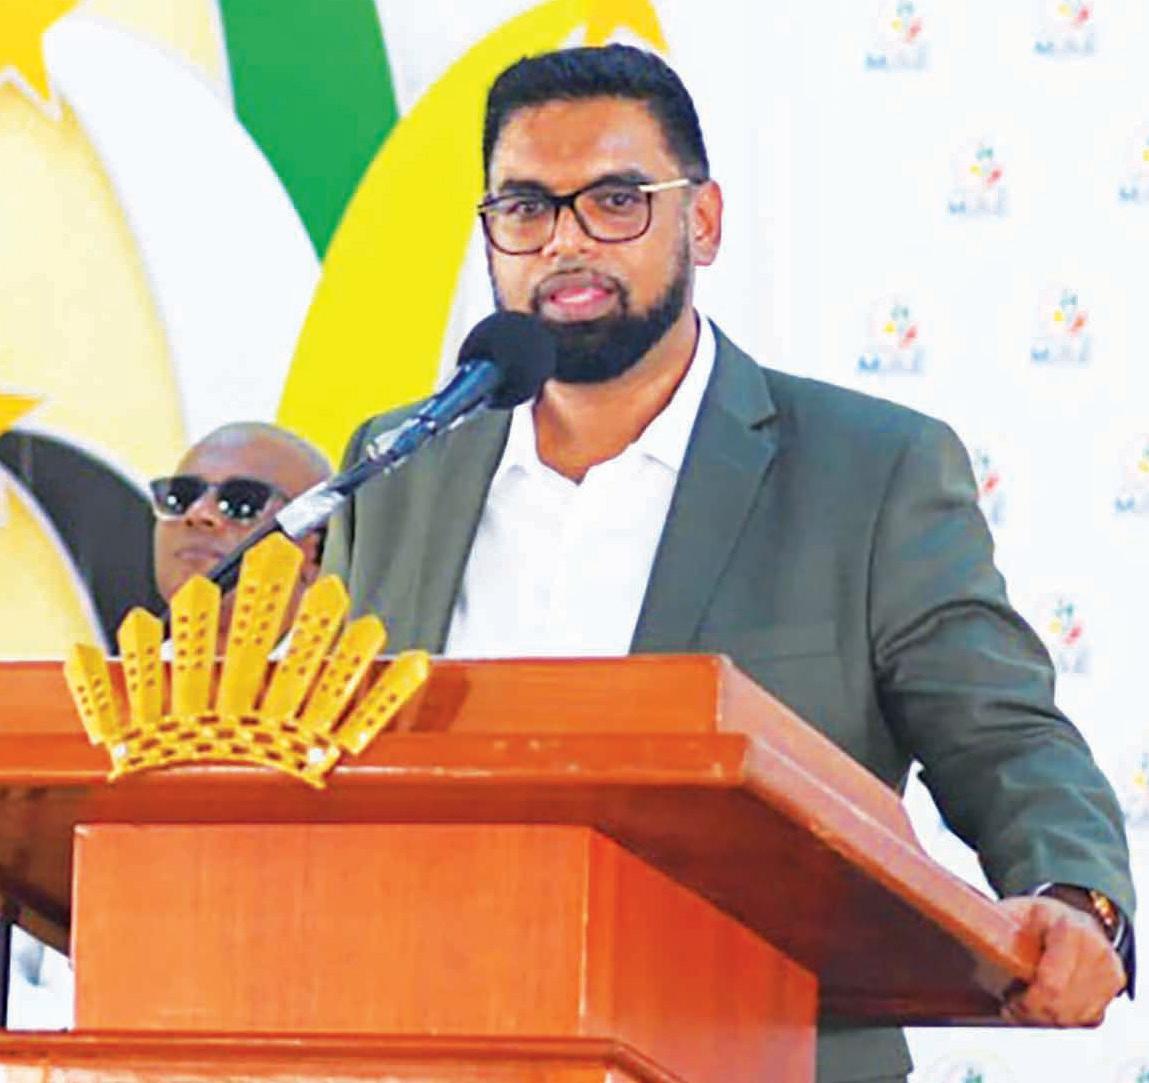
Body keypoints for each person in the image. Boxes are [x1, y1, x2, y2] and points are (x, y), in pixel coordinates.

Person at [322, 45, 1134, 1083]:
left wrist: (1076, 897)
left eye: (614, 201)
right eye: (525, 208)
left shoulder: (867, 471)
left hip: (757, 1051)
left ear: (701, 221)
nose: (565, 241)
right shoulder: (399, 466)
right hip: (433, 1045)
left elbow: (1004, 738)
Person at [151, 421, 330, 646]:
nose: (199, 513)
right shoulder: (121, 666)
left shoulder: (360, 666)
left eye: (242, 501)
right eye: (180, 496)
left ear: (314, 552)